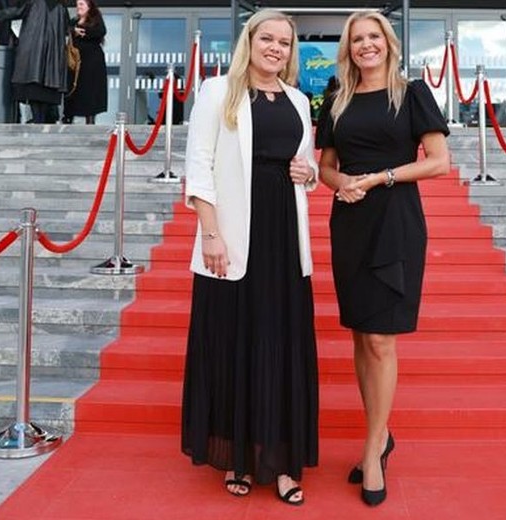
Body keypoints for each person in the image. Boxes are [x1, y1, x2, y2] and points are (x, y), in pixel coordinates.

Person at [181, 9, 319, 506]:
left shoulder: (298, 100)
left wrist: (308, 172)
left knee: (281, 344)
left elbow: (307, 164)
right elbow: (199, 165)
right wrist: (211, 234)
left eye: (285, 42)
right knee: (234, 343)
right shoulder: (218, 91)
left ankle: (280, 463)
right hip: (233, 236)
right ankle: (238, 457)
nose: (276, 48)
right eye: (268, 39)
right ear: (250, 41)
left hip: (284, 237)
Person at [315, 11, 450, 507]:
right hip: (350, 220)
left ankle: (373, 449)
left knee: (380, 339)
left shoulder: (411, 93)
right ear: (348, 48)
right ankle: (382, 435)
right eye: (357, 39)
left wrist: (381, 178)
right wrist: (344, 183)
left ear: (389, 43)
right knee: (361, 334)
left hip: (396, 221)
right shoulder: (337, 96)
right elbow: (326, 167)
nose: (366, 45)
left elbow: (439, 162)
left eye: (374, 36)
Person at [0, 0, 70, 124]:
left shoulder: (35, 3)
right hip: (52, 60)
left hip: (34, 55)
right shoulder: (61, 7)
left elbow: (15, 12)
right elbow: (66, 28)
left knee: (33, 89)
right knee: (46, 92)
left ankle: (37, 120)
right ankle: (41, 121)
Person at [62, 0, 107, 124]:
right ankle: (68, 118)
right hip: (75, 62)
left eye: (81, 4)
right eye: (77, 4)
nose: (78, 7)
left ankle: (90, 121)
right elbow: (64, 29)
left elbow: (101, 31)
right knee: (72, 88)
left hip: (92, 63)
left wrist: (84, 32)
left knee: (90, 91)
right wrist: (73, 31)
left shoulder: (95, 20)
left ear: (89, 6)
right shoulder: (73, 22)